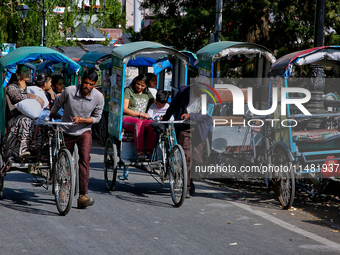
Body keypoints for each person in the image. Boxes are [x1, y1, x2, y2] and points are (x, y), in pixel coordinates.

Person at [49, 68, 104, 209]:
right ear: (81, 81)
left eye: (91, 84)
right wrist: (50, 116)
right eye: (85, 83)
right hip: (66, 129)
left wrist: (82, 120)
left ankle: (83, 196)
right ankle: (63, 190)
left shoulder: (98, 97)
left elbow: (97, 118)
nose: (87, 87)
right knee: (63, 162)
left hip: (84, 131)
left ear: (95, 84)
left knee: (84, 160)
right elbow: (58, 104)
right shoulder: (69, 91)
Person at [162, 76, 214, 198]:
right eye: (198, 89)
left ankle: (190, 180)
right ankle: (186, 186)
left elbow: (206, 115)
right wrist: (165, 120)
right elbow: (173, 107)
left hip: (200, 130)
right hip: (185, 128)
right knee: (186, 157)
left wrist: (190, 116)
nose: (200, 92)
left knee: (197, 160)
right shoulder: (184, 91)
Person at [2, 64, 44, 160]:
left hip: (34, 116)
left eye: (28, 71)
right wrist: (34, 97)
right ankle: (23, 151)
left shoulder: (32, 87)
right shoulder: (12, 87)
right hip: (16, 117)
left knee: (43, 121)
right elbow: (17, 97)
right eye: (25, 71)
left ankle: (39, 149)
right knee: (26, 120)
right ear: (18, 74)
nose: (28, 73)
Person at [122, 73, 155, 160]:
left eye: (142, 85)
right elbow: (124, 109)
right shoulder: (128, 90)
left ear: (146, 86)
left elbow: (155, 103)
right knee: (138, 123)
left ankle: (149, 151)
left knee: (153, 125)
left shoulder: (147, 92)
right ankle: (139, 152)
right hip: (127, 118)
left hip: (142, 119)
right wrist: (140, 114)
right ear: (135, 81)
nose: (139, 87)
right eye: (138, 84)